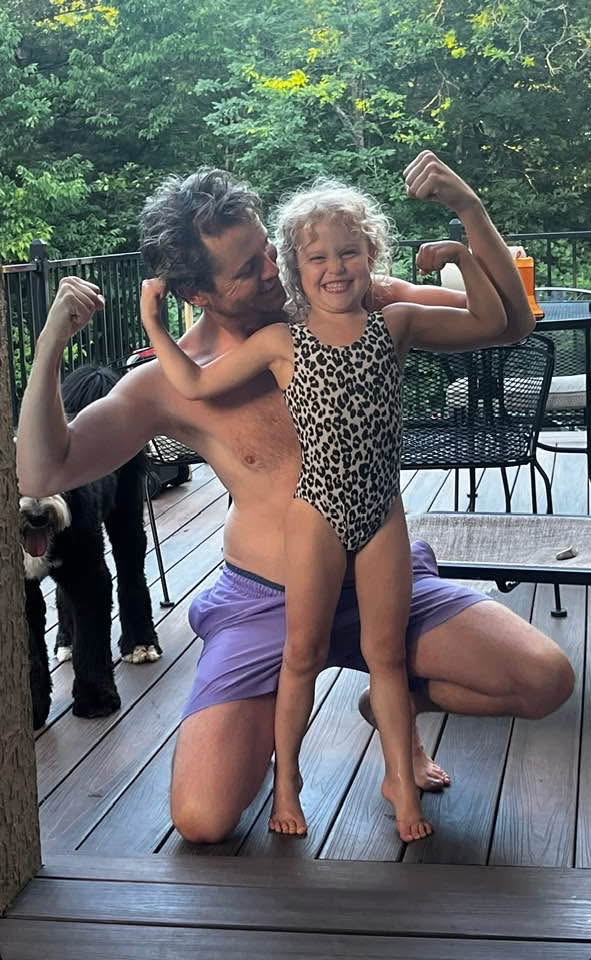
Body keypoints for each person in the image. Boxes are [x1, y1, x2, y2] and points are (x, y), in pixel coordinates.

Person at [16, 152, 575, 845]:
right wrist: (49, 345)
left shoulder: (350, 300)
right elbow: (42, 469)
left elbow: (507, 323)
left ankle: (391, 703)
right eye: (247, 268)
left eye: (267, 250)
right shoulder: (168, 382)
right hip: (265, 600)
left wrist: (469, 209)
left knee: (543, 680)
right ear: (197, 293)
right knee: (202, 819)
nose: (272, 270)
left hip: (376, 572)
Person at [139, 180, 507, 842]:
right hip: (316, 513)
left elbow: (494, 322)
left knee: (386, 657)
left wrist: (461, 250)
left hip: (380, 512)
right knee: (300, 654)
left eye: (348, 253)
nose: (335, 268)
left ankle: (402, 788)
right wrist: (153, 325)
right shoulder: (281, 341)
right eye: (317, 258)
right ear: (293, 266)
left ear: (371, 254)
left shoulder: (394, 320)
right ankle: (289, 781)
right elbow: (192, 382)